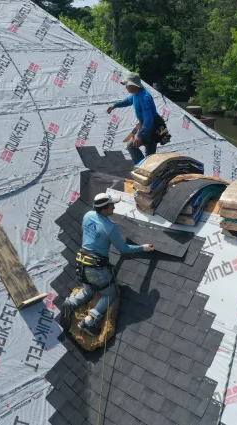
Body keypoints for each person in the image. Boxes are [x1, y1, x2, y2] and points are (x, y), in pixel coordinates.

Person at [60, 193, 155, 336]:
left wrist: (106, 225)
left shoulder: (88, 215)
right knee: (110, 294)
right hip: (96, 268)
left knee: (88, 290)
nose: (114, 207)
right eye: (111, 206)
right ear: (104, 209)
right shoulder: (110, 228)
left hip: (82, 263)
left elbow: (93, 231)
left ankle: (71, 303)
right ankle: (89, 320)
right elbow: (124, 249)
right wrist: (143, 247)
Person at [107, 72, 159, 164]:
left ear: (132, 85)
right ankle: (147, 169)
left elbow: (149, 119)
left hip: (151, 127)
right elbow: (128, 101)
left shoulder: (145, 97)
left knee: (131, 145)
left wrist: (139, 135)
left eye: (127, 85)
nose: (126, 87)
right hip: (146, 125)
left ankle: (141, 167)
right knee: (150, 156)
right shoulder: (136, 94)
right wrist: (115, 105)